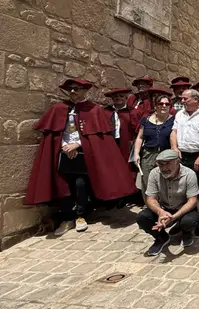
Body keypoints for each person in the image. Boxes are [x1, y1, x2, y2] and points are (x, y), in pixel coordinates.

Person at [25, 79, 136, 236]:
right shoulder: (59, 108)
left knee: (81, 185)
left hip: (83, 153)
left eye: (76, 89)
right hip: (63, 152)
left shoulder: (94, 110)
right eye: (70, 89)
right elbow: (57, 134)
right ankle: (67, 218)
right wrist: (63, 145)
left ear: (85, 91)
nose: (73, 92)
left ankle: (80, 216)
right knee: (63, 185)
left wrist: (77, 145)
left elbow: (96, 137)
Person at [136, 149, 199, 256]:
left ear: (177, 161)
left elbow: (193, 200)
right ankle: (161, 237)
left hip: (183, 208)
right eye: (161, 164)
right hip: (165, 207)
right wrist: (160, 211)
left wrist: (174, 217)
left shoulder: (189, 174)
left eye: (167, 163)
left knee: (189, 221)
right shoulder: (154, 173)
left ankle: (186, 233)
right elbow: (150, 198)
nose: (164, 168)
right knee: (142, 217)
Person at [171, 89, 199, 234]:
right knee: (181, 190)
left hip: (197, 156)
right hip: (181, 156)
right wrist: (174, 148)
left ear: (196, 99)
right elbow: (174, 132)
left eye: (185, 99)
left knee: (198, 190)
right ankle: (181, 220)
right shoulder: (179, 114)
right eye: (182, 99)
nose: (182, 102)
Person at [133, 94, 175, 199]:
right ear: (155, 106)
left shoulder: (174, 120)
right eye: (160, 103)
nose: (164, 106)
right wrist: (136, 154)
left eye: (167, 104)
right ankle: (150, 207)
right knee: (147, 182)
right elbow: (140, 137)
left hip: (166, 155)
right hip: (148, 154)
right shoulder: (146, 120)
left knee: (165, 182)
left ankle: (163, 207)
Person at [104, 88, 138, 167]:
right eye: (115, 96)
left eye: (121, 96)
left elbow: (136, 129)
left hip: (126, 143)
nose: (118, 98)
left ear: (126, 98)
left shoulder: (132, 112)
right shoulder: (106, 111)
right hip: (109, 142)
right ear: (112, 98)